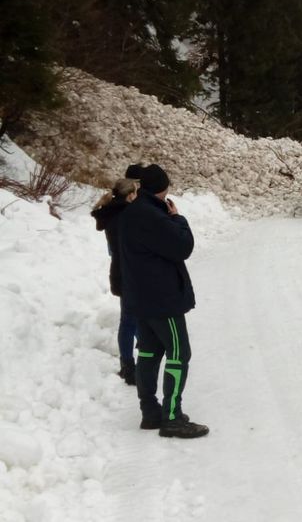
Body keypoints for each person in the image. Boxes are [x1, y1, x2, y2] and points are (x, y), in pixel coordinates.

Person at [118, 163, 209, 439]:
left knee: (148, 352)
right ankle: (172, 417)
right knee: (179, 354)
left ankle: (150, 412)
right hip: (162, 300)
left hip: (140, 297)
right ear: (163, 188)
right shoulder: (153, 216)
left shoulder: (131, 211)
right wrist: (178, 219)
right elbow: (183, 246)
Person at [91, 178, 138, 384]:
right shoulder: (128, 215)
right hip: (133, 273)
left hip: (119, 272)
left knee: (129, 319)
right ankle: (136, 365)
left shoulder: (110, 213)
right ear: (130, 195)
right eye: (136, 193)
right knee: (135, 320)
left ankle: (128, 365)